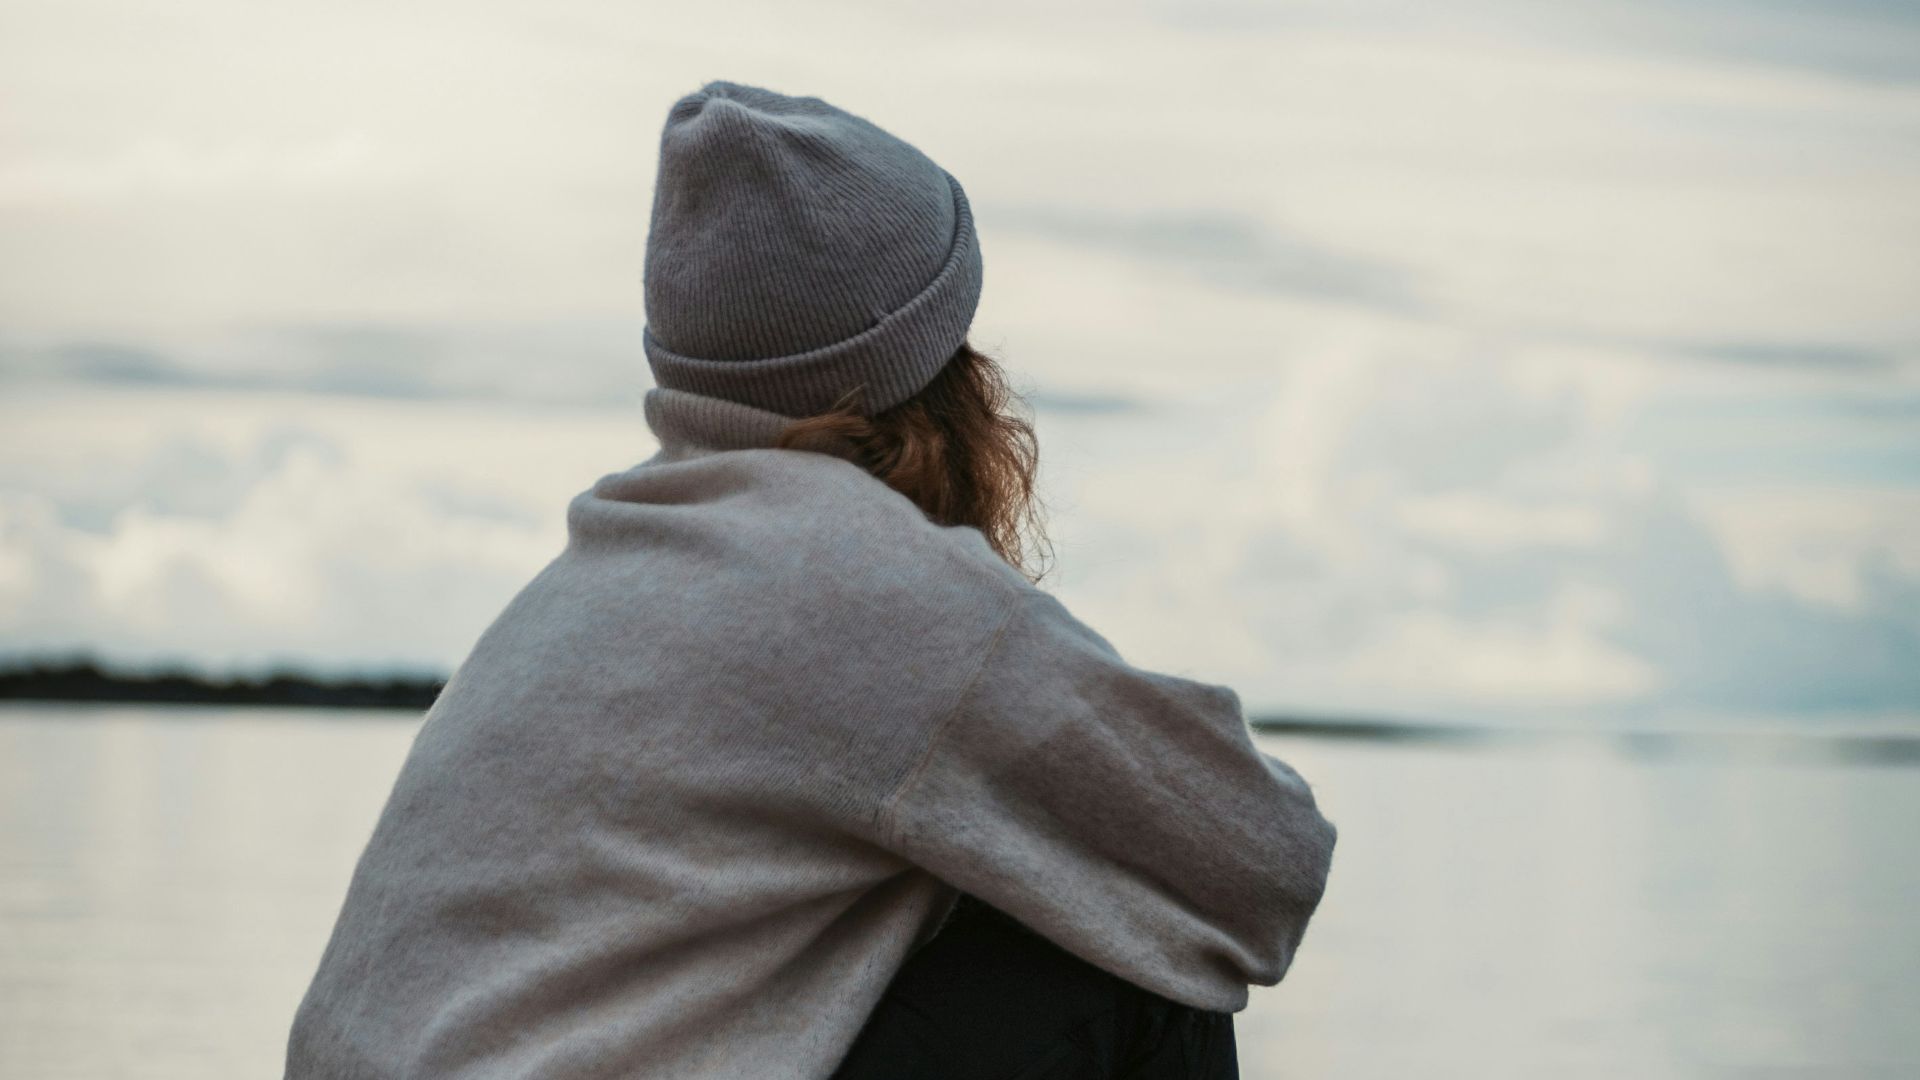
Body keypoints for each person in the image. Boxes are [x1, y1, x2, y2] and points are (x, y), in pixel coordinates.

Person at [284, 79, 1337, 1080]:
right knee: (1132, 948)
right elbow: (1257, 863)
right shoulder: (865, 583)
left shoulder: (593, 571)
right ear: (932, 371)